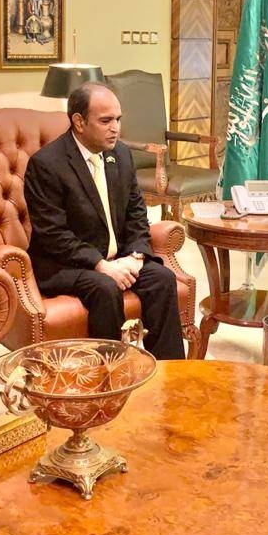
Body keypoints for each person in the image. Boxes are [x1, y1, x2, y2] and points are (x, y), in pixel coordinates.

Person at [23, 83, 185, 359]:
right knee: (105, 287)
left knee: (162, 278)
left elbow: (136, 211)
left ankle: (171, 376)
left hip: (119, 256)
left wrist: (135, 256)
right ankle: (109, 377)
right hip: (67, 264)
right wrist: (101, 265)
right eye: (106, 121)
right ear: (79, 122)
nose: (115, 128)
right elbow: (53, 234)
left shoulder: (120, 154)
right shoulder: (47, 165)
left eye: (118, 120)